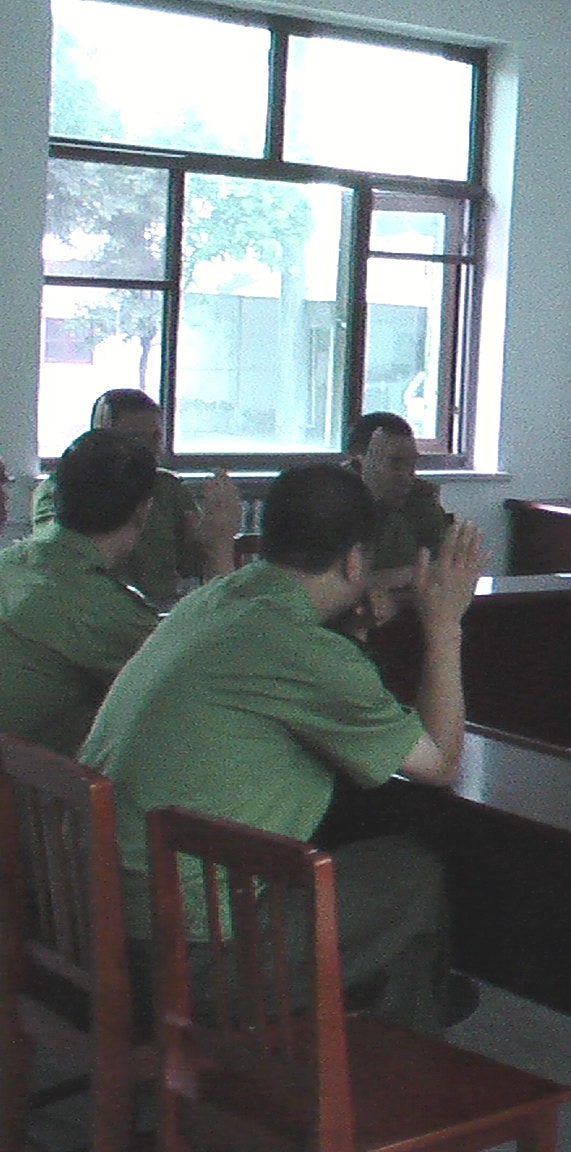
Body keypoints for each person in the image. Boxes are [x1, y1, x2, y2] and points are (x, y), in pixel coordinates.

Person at [82, 463, 488, 1034]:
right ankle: (398, 1053)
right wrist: (444, 624)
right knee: (410, 874)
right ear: (355, 560)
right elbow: (440, 763)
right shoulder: (305, 649)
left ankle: (393, 1018)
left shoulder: (213, 599)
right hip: (185, 955)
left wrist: (350, 638)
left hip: (96, 918)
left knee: (361, 872)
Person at [0, 431, 160, 755]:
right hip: (29, 782)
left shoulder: (13, 562)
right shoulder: (105, 610)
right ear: (144, 510)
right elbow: (202, 679)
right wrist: (218, 557)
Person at [33, 389, 242, 607]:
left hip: (160, 605)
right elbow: (55, 559)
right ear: (101, 437)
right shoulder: (61, 488)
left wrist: (211, 536)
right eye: (135, 438)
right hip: (91, 603)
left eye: (156, 437)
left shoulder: (167, 487)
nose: (150, 448)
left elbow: (193, 565)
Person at [347, 411, 453, 582]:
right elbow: (327, 584)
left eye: (412, 464)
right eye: (395, 464)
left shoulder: (419, 496)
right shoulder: (328, 500)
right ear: (359, 463)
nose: (408, 476)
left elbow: (450, 565)